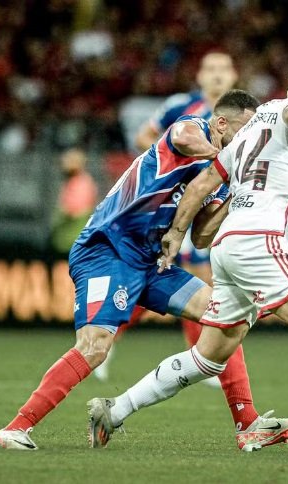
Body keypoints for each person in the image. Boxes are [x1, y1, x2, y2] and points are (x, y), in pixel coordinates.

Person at [88, 58, 288, 457]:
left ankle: (113, 410)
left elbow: (204, 184)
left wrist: (177, 235)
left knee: (208, 356)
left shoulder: (251, 126)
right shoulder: (287, 110)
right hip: (259, 240)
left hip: (227, 246)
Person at [0, 89, 288, 452]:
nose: (250, 141)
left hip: (153, 261)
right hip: (107, 250)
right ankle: (14, 429)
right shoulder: (192, 129)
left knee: (224, 318)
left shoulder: (220, 178)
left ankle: (247, 424)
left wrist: (236, 195)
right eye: (245, 131)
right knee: (94, 347)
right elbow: (182, 137)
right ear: (220, 123)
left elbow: (200, 237)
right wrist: (223, 159)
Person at [103, 51, 238, 387]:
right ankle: (106, 340)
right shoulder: (182, 108)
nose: (217, 75)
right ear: (200, 76)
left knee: (195, 278)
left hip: (209, 203)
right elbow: (143, 137)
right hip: (175, 203)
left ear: (234, 76)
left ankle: (200, 358)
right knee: (175, 277)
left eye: (224, 69)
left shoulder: (242, 114)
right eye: (210, 68)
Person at [50, 148, 98, 254]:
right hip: (65, 241)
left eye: (69, 160)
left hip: (73, 241)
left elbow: (75, 211)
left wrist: (62, 214)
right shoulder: (71, 181)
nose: (64, 163)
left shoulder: (82, 183)